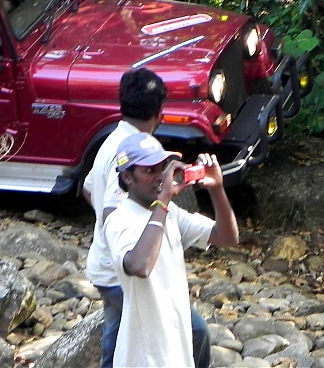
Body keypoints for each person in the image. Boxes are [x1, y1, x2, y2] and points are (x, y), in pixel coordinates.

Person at [82, 68, 211, 368]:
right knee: (194, 332)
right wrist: (126, 230)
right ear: (160, 113)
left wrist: (109, 230)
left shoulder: (113, 141)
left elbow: (89, 189)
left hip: (107, 264)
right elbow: (117, 208)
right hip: (120, 269)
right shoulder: (131, 157)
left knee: (118, 343)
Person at [104, 131, 239, 368]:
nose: (160, 177)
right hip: (144, 357)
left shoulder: (171, 213)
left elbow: (227, 237)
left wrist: (217, 189)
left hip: (177, 349)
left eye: (162, 167)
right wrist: (164, 201)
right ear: (127, 177)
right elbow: (140, 265)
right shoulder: (119, 220)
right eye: (149, 171)